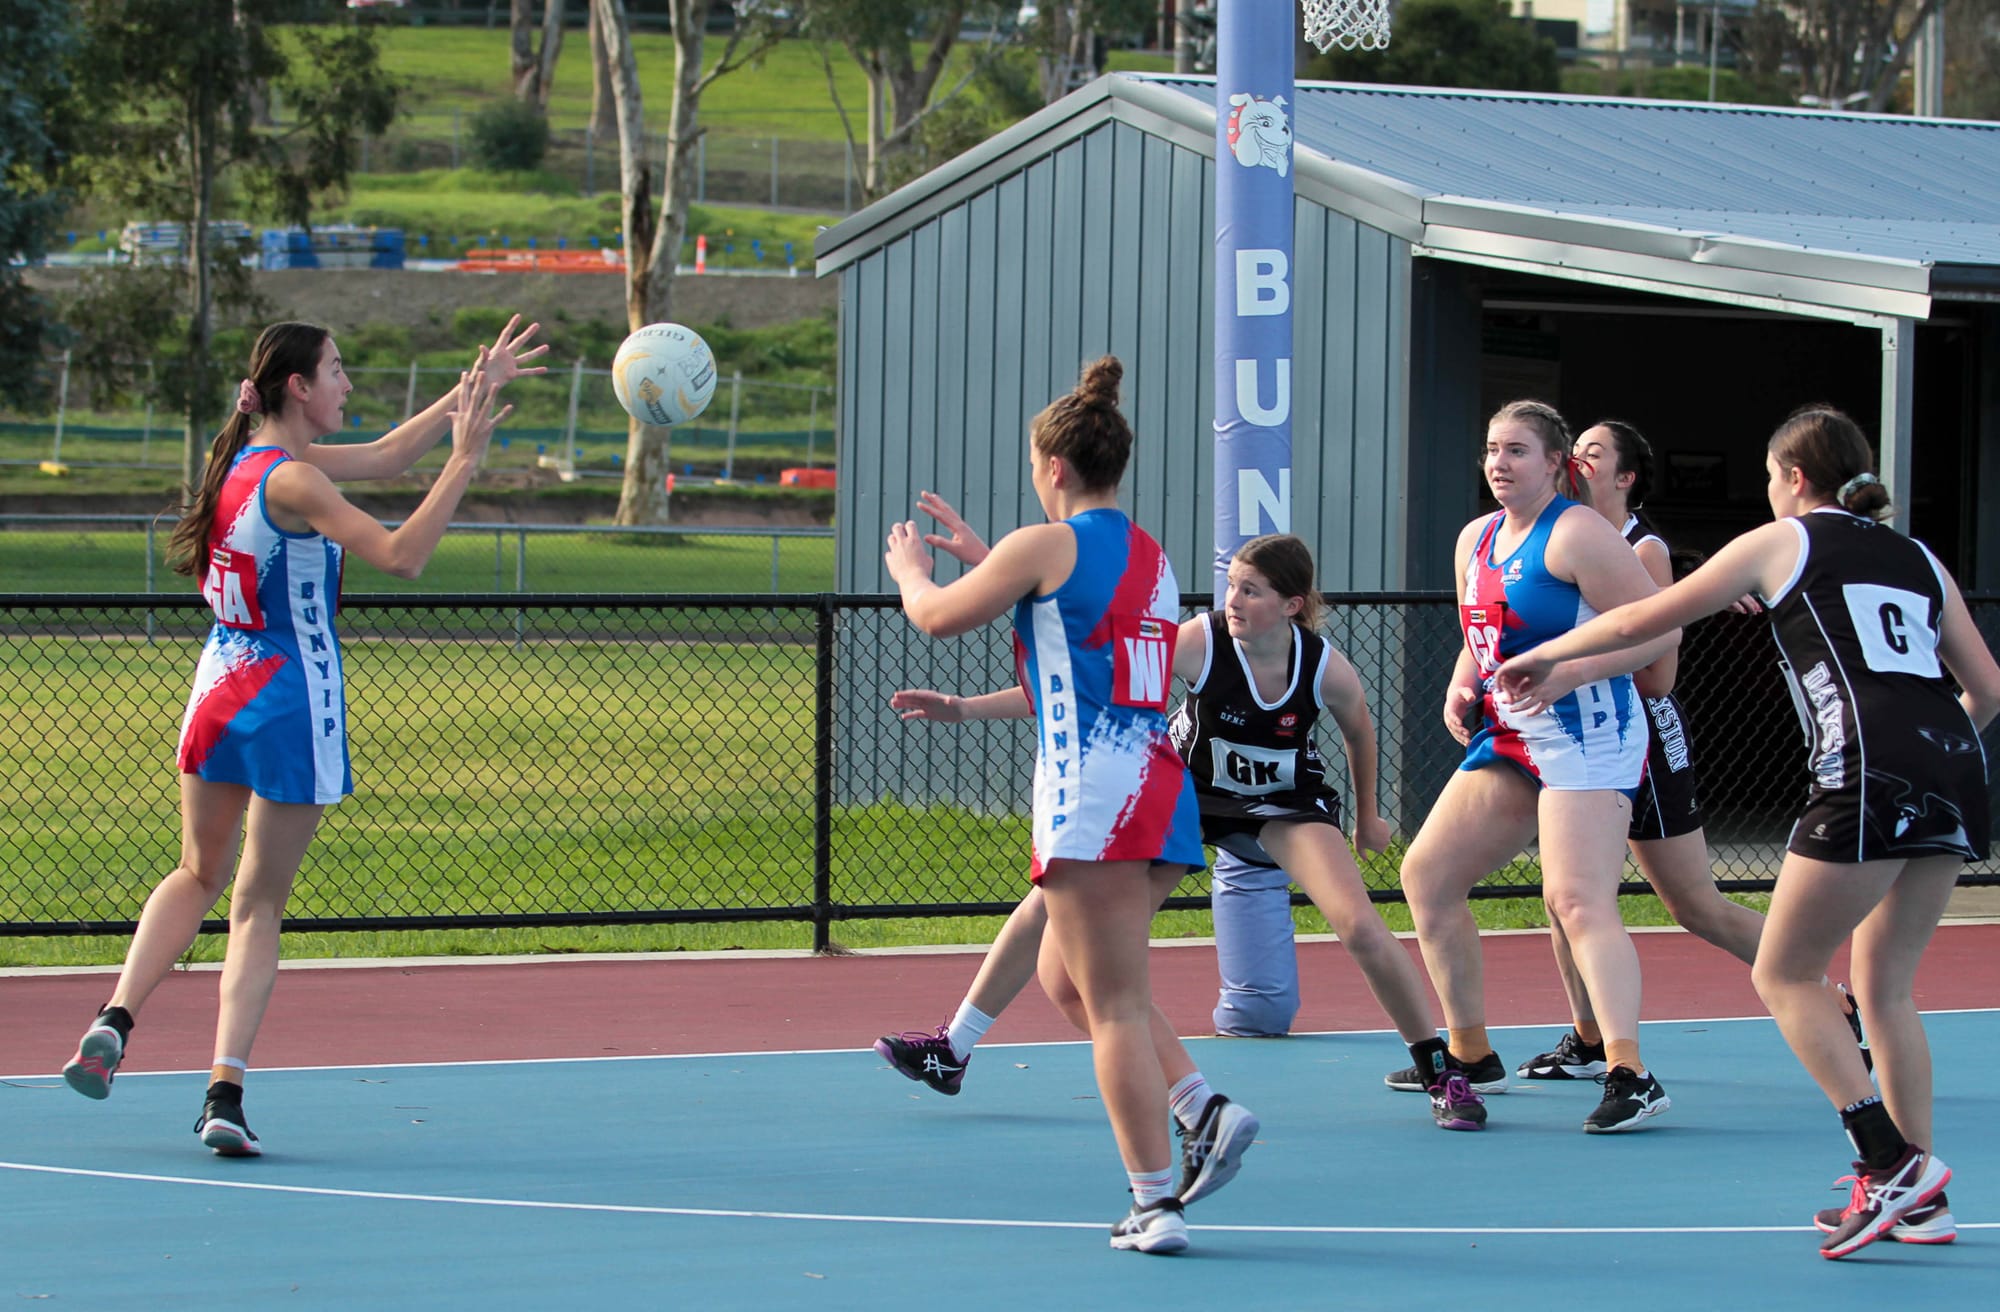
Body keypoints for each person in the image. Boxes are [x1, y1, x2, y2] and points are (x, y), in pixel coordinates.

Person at [1496, 405, 1998, 1257]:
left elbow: (1647, 617)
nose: (1769, 493)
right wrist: (1928, 745)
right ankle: (1918, 1196)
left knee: (1785, 971)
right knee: (1886, 989)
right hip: (1953, 766)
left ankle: (1891, 1165)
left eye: (1770, 478)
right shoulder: (1918, 558)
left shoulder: (1783, 541)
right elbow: (1986, 688)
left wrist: (1552, 657)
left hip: (1865, 769)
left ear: (1794, 479)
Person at [61, 316, 544, 1155]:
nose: (347, 383)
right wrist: (466, 459)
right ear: (298, 386)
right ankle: (224, 1094)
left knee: (195, 872)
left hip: (217, 685)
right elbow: (401, 556)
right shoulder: (301, 486)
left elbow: (391, 454)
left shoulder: (245, 468)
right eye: (337, 369)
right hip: (289, 697)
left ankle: (115, 1016)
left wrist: (474, 390)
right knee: (256, 905)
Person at [882, 530, 1472, 1129]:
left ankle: (1439, 1069)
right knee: (1056, 914)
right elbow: (1093, 687)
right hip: (1187, 799)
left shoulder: (1323, 668)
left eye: (1251, 590)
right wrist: (963, 707)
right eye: (1231, 585)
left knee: (1361, 927)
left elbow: (1358, 732)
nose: (1233, 600)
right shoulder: (1199, 642)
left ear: (1292, 605)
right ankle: (953, 1048)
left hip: (1283, 804)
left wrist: (1367, 815)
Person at [883, 357, 1231, 1255]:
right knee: (1065, 980)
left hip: (1095, 798)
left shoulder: (1044, 547)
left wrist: (912, 569)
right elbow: (1071, 638)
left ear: (1055, 469)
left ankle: (1156, 1200)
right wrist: (984, 559)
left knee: (1111, 1001)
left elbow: (934, 619)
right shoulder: (1153, 559)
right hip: (1158, 789)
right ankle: (1200, 1105)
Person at [1513, 421, 1866, 1083]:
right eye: (1573, 452)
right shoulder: (1550, 535)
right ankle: (1591, 1041)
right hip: (1575, 735)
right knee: (1568, 897)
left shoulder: (1642, 551)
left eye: (1593, 456)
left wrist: (1579, 659)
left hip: (1638, 734)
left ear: (1624, 479)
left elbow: (1658, 678)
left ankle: (1829, 994)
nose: (1575, 464)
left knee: (1691, 905)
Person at [1389, 400, 1678, 1134]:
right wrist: (1463, 687)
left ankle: (1630, 1072)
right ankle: (1471, 1051)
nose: (1498, 463)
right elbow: (1479, 637)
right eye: (1491, 448)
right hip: (1513, 736)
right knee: (1426, 875)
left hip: (1590, 730)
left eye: (1516, 450)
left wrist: (1569, 674)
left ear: (1555, 464)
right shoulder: (1475, 540)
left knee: (1576, 899)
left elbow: (1655, 634)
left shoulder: (1578, 532)